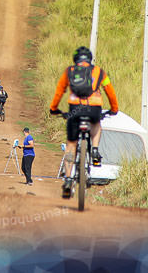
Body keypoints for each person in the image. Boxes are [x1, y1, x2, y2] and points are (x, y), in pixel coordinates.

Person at [49, 46, 119, 199]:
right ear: (90, 58)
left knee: (71, 145)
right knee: (96, 124)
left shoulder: (69, 71)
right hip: (94, 107)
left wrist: (54, 108)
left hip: (75, 109)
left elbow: (59, 90)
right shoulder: (99, 72)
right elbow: (110, 91)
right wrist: (114, 109)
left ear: (76, 59)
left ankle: (68, 179)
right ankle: (94, 150)